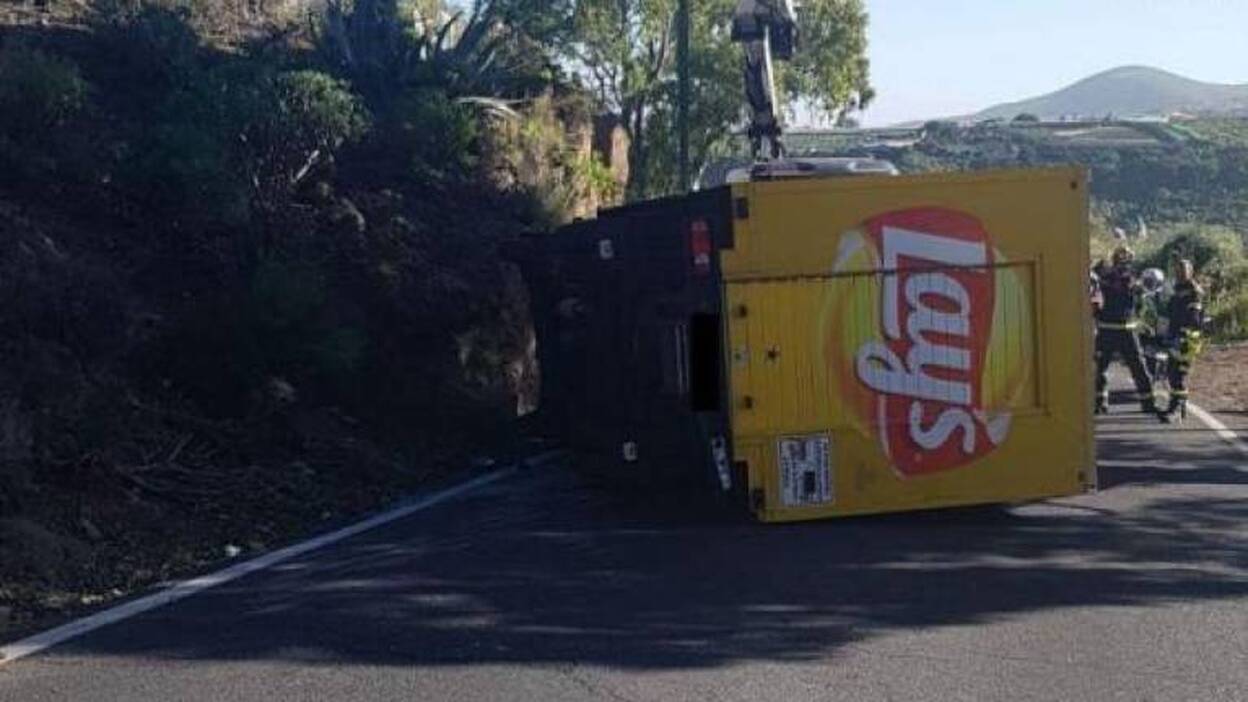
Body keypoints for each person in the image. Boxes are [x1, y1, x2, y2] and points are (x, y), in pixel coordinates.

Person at [1094, 246, 1162, 418]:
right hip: (1118, 329)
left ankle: (1101, 403)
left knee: (1104, 367)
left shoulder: (1110, 277)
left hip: (1116, 329)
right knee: (1132, 367)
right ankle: (1147, 403)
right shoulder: (1124, 278)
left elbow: (1141, 297)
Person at [1162, 258, 1205, 419]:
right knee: (1171, 372)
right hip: (1175, 335)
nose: (1181, 272)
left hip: (1187, 338)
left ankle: (1176, 409)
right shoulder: (1176, 290)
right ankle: (1178, 406)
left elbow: (1193, 318)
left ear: (1190, 271)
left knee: (1177, 373)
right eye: (1178, 269)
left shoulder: (1194, 292)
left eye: (1184, 270)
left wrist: (1183, 334)